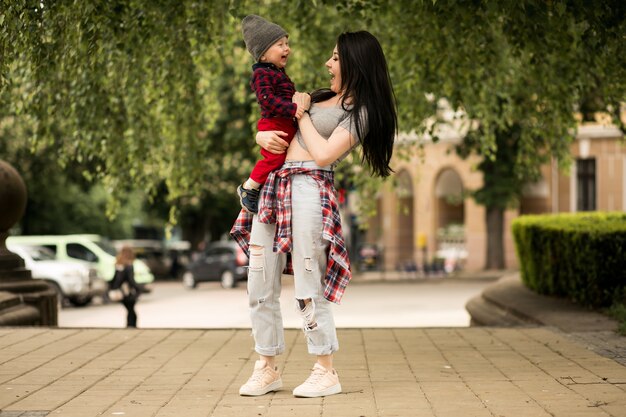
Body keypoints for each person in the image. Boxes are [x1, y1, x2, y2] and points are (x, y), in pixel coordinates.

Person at [231, 30, 397, 398]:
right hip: (275, 185)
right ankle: (267, 366)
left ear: (356, 62)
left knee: (308, 280)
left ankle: (325, 369)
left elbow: (323, 153)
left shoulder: (360, 111)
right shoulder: (320, 97)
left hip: (309, 188)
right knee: (259, 280)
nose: (328, 63)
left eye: (336, 58)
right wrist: (260, 137)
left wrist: (301, 113)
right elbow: (277, 122)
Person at [237, 15, 307, 214]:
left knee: (282, 159)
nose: (287, 48)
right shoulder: (262, 74)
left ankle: (264, 189)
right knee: (273, 159)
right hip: (273, 124)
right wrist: (293, 110)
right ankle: (248, 187)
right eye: (280, 44)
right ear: (264, 55)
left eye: (287, 43)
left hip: (283, 123)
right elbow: (267, 100)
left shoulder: (276, 72)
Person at [112, 245, 142, 328]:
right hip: (127, 291)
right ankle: (131, 326)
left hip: (121, 291)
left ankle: (129, 326)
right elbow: (130, 280)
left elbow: (115, 279)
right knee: (131, 311)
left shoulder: (119, 264)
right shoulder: (129, 265)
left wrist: (113, 288)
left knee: (130, 310)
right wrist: (138, 289)